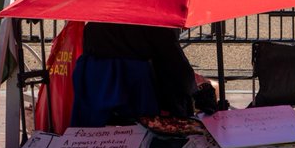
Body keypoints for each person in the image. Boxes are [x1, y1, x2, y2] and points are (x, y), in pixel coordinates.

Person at [70, 22, 200, 127]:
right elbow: (181, 76)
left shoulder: (92, 28)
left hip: (93, 112)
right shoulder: (155, 27)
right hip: (144, 116)